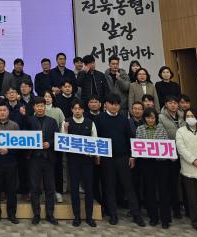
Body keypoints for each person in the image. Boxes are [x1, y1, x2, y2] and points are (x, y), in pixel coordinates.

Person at [94, 93, 146, 227]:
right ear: (106, 104)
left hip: (123, 157)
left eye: (117, 104)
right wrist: (97, 155)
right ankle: (113, 215)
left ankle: (136, 215)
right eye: (111, 104)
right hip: (107, 158)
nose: (114, 107)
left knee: (128, 186)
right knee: (109, 186)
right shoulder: (99, 118)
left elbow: (130, 138)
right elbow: (96, 138)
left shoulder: (124, 119)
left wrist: (132, 156)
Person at [62, 99, 97, 227]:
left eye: (79, 108)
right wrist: (65, 129)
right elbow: (62, 142)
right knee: (74, 189)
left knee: (89, 189)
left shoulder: (90, 122)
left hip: (87, 160)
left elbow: (95, 140)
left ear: (83, 110)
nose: (77, 111)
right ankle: (76, 216)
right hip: (73, 160)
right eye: (75, 108)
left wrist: (95, 155)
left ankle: (89, 217)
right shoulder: (66, 122)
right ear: (72, 110)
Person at [135, 108, 172, 228]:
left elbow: (166, 144)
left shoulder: (161, 128)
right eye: (148, 117)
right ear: (144, 118)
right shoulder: (140, 129)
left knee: (163, 191)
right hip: (147, 164)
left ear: (156, 118)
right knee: (149, 191)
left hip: (161, 163)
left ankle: (165, 219)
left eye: (152, 117)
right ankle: (153, 217)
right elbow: (138, 145)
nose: (150, 120)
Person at [26, 96, 59, 225]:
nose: (40, 108)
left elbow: (57, 137)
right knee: (34, 187)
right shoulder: (29, 120)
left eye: (42, 106)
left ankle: (50, 214)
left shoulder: (52, 121)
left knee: (50, 188)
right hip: (34, 158)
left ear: (45, 106)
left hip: (48, 158)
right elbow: (24, 137)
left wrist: (49, 143)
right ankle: (36, 214)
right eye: (37, 106)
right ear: (34, 107)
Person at [159, 95, 185, 219]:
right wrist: (171, 153)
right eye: (170, 103)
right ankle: (175, 208)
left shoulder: (183, 116)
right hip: (170, 156)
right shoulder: (161, 117)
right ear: (165, 104)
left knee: (184, 182)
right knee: (172, 183)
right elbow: (162, 136)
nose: (173, 105)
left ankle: (186, 207)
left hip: (184, 154)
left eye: (175, 103)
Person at [43, 90, 65, 201]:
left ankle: (58, 192)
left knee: (57, 169)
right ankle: (46, 192)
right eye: (45, 96)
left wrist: (59, 139)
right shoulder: (39, 109)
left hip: (56, 144)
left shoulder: (58, 110)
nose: (47, 98)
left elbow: (62, 125)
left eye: (49, 97)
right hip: (42, 145)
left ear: (53, 98)